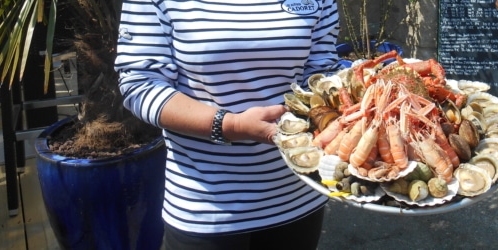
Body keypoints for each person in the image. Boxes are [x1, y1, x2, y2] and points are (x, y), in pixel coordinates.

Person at [114, 0, 343, 249]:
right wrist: (230, 125)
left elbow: (323, 72)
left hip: (299, 197)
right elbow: (140, 83)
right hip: (207, 208)